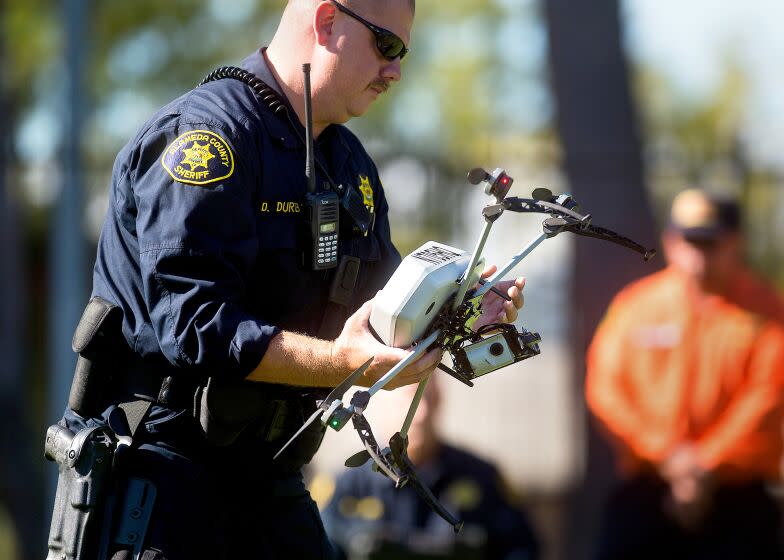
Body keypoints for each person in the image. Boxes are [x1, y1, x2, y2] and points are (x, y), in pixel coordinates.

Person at [44, 1, 526, 559]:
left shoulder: (349, 164)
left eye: (403, 53)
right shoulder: (206, 139)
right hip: (165, 480)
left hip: (273, 480)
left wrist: (461, 310)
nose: (396, 70)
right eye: (387, 46)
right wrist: (343, 364)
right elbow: (195, 327)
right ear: (326, 22)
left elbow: (386, 306)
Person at [585, 188, 784, 560]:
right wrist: (668, 456)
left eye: (709, 243)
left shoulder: (765, 308)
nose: (697, 254)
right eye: (688, 240)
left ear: (734, 243)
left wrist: (706, 463)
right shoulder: (637, 305)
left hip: (738, 499)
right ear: (670, 241)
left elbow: (769, 395)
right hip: (649, 488)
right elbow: (605, 388)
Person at [320, 373, 541, 560]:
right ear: (383, 404)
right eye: (410, 402)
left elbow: (522, 550)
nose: (421, 414)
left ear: (440, 401)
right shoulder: (344, 486)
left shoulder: (484, 478)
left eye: (428, 399)